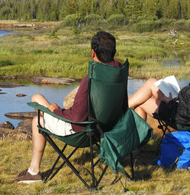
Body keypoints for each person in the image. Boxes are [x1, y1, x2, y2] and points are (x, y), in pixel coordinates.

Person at [15, 31, 122, 184]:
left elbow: (77, 117)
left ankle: (33, 172)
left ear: (93, 52)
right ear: (114, 51)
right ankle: (32, 171)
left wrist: (56, 111)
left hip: (83, 131)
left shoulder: (92, 77)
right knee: (37, 98)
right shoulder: (118, 71)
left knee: (37, 118)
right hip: (107, 128)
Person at [127, 44, 190, 128]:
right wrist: (185, 92)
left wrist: (169, 102)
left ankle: (121, 111)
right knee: (152, 82)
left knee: (141, 103)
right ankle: (123, 110)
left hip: (181, 119)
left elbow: (189, 114)